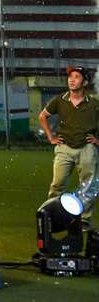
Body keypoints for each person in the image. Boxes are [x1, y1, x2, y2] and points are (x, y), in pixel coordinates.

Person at [39, 66, 98, 225]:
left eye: (77, 77)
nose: (72, 80)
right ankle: (52, 217)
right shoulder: (60, 100)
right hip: (64, 148)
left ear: (85, 82)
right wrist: (51, 137)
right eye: (70, 77)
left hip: (87, 148)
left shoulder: (93, 104)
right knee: (57, 184)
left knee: (88, 186)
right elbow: (43, 116)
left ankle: (84, 219)